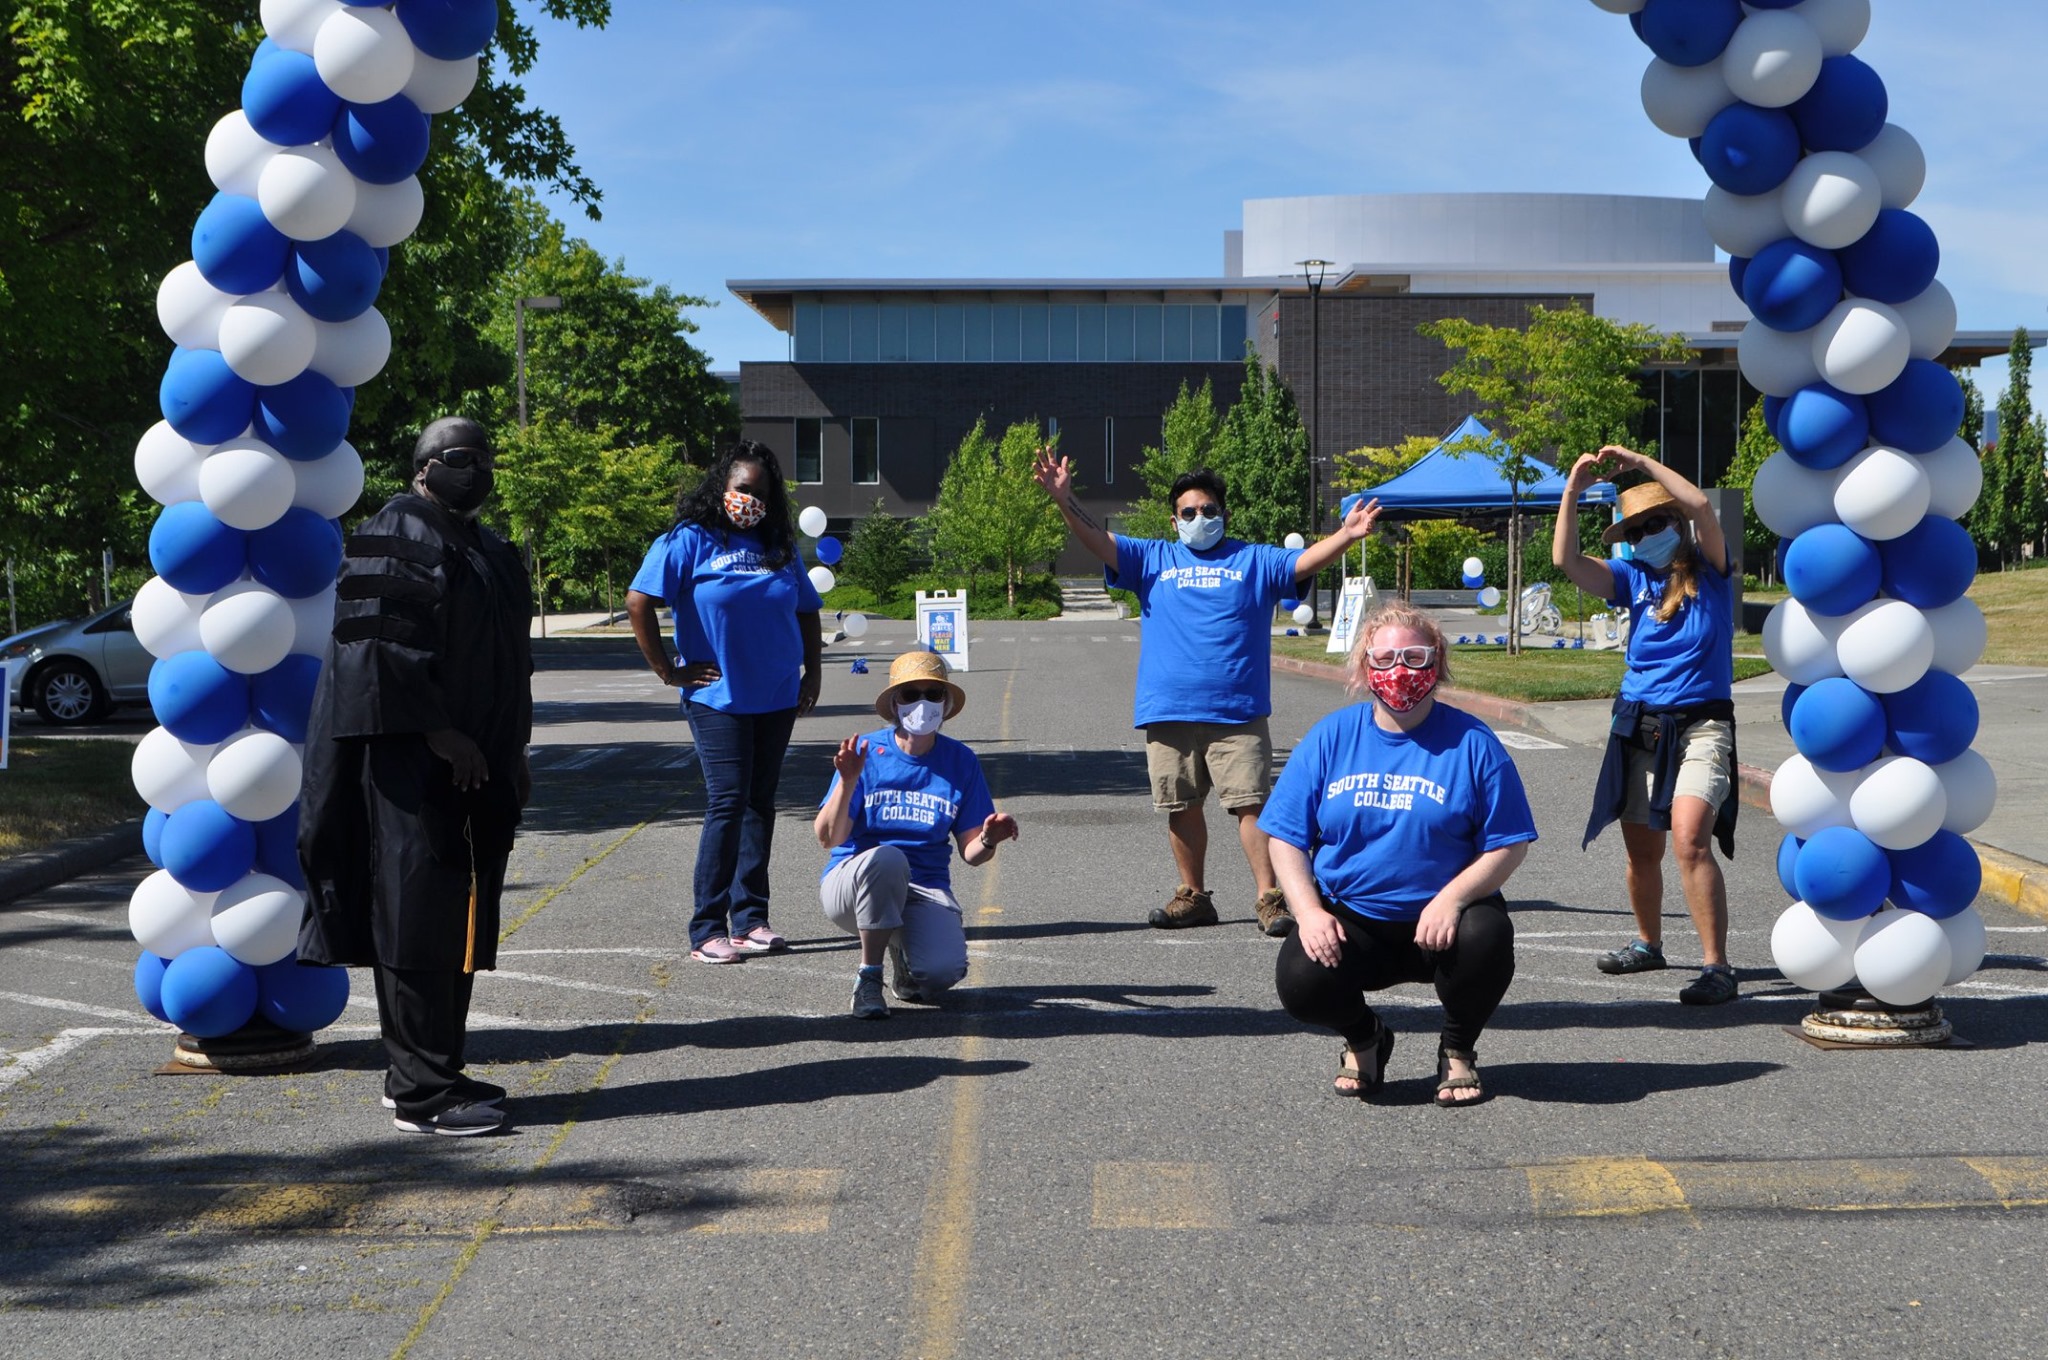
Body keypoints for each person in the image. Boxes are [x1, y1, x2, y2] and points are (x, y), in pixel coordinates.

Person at [1032, 450, 1380, 936]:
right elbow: (1097, 539)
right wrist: (1065, 498)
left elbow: (1303, 560)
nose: (1200, 518)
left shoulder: (1253, 559)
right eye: (1189, 512)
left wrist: (1346, 535)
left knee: (1252, 805)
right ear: (1174, 519)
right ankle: (1194, 896)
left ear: (1225, 514)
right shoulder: (1152, 558)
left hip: (1237, 712)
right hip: (1168, 711)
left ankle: (1271, 898)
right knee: (1181, 805)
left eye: (1210, 510)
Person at [298, 417, 533, 1137]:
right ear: (424, 466)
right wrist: (441, 732)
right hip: (411, 763)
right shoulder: (399, 529)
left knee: (453, 919)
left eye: (485, 457)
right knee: (412, 918)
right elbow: (375, 654)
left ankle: (438, 1066)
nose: (479, 469)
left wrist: (508, 752)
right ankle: (418, 1093)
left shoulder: (481, 543)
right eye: (463, 457)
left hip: (473, 767)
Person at [1261, 602, 1535, 1107]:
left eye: (1414, 656)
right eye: (1384, 658)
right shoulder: (1331, 737)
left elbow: (1508, 843)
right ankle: (1366, 1039)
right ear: (1365, 667)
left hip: (1443, 924)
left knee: (1489, 935)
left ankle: (1457, 1049)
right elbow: (1285, 837)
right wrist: (1308, 913)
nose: (1399, 670)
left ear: (1437, 662)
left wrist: (1453, 899)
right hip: (1355, 920)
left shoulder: (1474, 742)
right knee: (1301, 980)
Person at [1551, 444, 1739, 1006]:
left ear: (1675, 525)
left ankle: (1716, 967)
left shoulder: (1711, 569)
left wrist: (1639, 462)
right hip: (1639, 723)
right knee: (1641, 851)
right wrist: (1572, 491)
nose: (1646, 536)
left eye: (1657, 522)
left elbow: (1704, 504)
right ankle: (1649, 943)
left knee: (1690, 841)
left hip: (1702, 724)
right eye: (1636, 529)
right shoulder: (1631, 577)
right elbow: (1566, 561)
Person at [628, 441, 823, 964]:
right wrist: (668, 670)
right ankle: (707, 928)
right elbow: (638, 601)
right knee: (728, 801)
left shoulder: (776, 543)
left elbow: (806, 609)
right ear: (721, 488)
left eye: (760, 491)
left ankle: (751, 918)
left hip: (778, 694)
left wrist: (814, 672)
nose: (750, 499)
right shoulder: (689, 539)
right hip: (718, 697)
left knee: (761, 803)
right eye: (742, 488)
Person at [814, 651, 1016, 1019]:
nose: (922, 703)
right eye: (910, 694)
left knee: (941, 973)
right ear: (894, 703)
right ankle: (869, 977)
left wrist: (988, 839)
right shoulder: (866, 753)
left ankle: (904, 963)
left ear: (946, 702)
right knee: (890, 858)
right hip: (853, 885)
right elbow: (830, 838)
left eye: (932, 694)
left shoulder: (961, 761)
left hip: (923, 888)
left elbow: (972, 853)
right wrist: (847, 782)